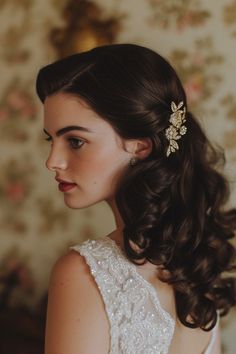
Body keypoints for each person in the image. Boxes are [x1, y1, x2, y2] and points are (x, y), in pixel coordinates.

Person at [36, 43, 236, 354]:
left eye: (75, 141)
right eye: (52, 139)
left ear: (141, 147)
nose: (53, 161)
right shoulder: (196, 264)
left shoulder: (84, 273)